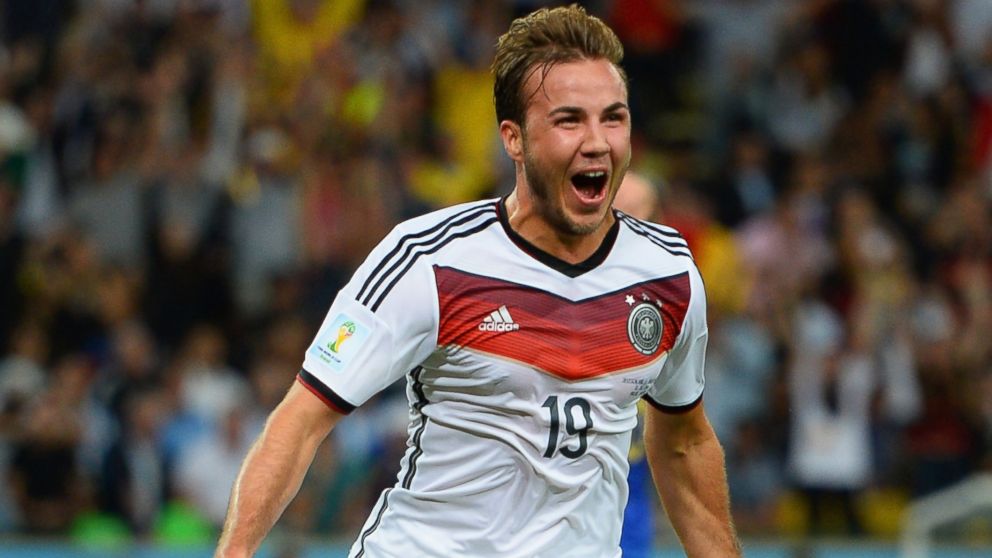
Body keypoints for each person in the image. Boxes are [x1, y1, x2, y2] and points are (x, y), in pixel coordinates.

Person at [216, 5, 739, 557]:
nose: (598, 141)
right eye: (568, 121)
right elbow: (301, 420)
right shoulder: (430, 260)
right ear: (513, 139)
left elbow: (683, 443)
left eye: (613, 117)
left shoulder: (668, 275)